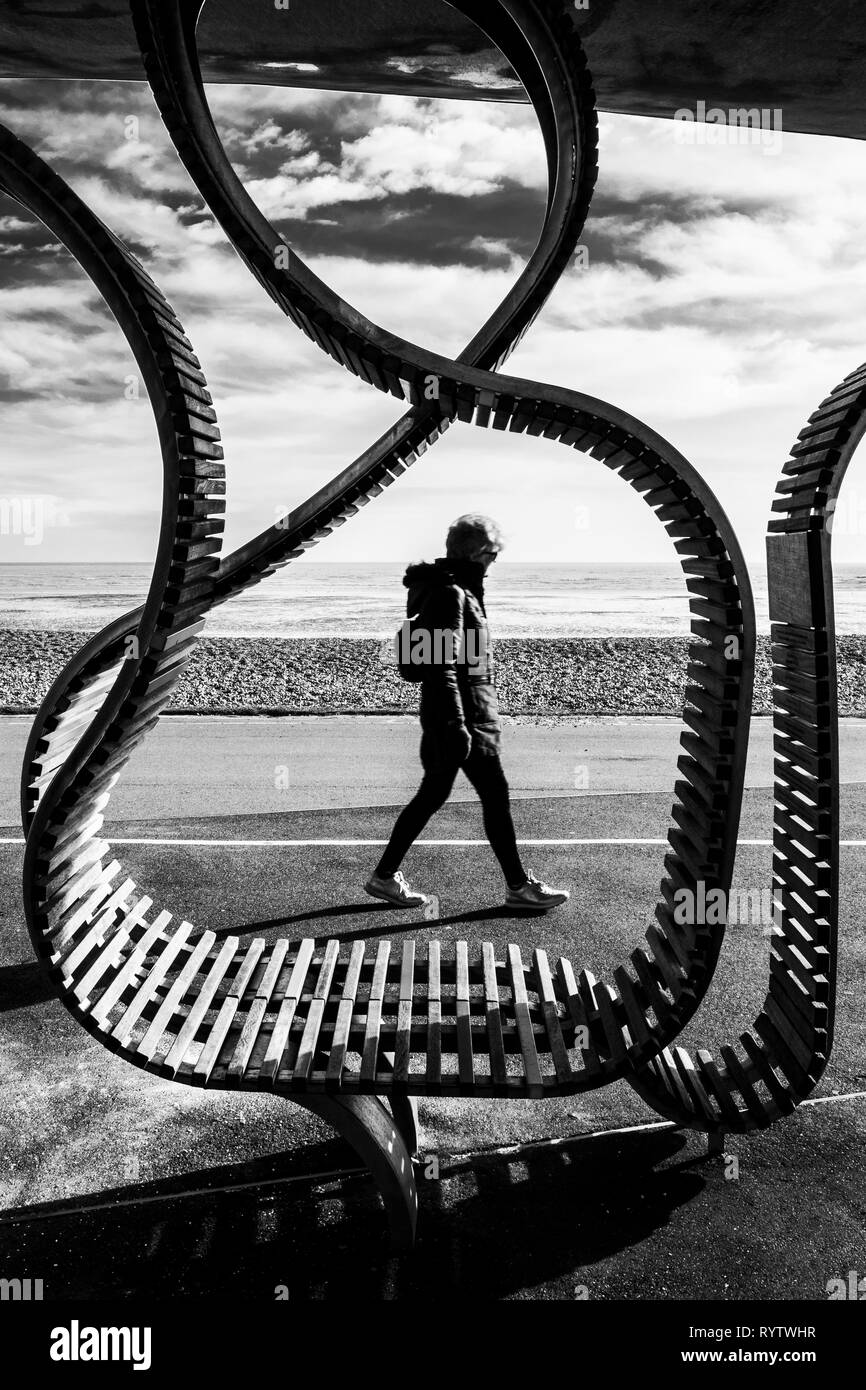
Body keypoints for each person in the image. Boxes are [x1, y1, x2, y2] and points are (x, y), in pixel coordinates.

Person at [365, 513, 570, 912]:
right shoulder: (451, 594)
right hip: (463, 719)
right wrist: (458, 725)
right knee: (494, 797)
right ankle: (518, 887)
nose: (495, 562)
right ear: (478, 553)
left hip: (460, 715)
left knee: (435, 794)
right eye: (493, 554)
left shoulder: (454, 590)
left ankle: (385, 877)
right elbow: (442, 666)